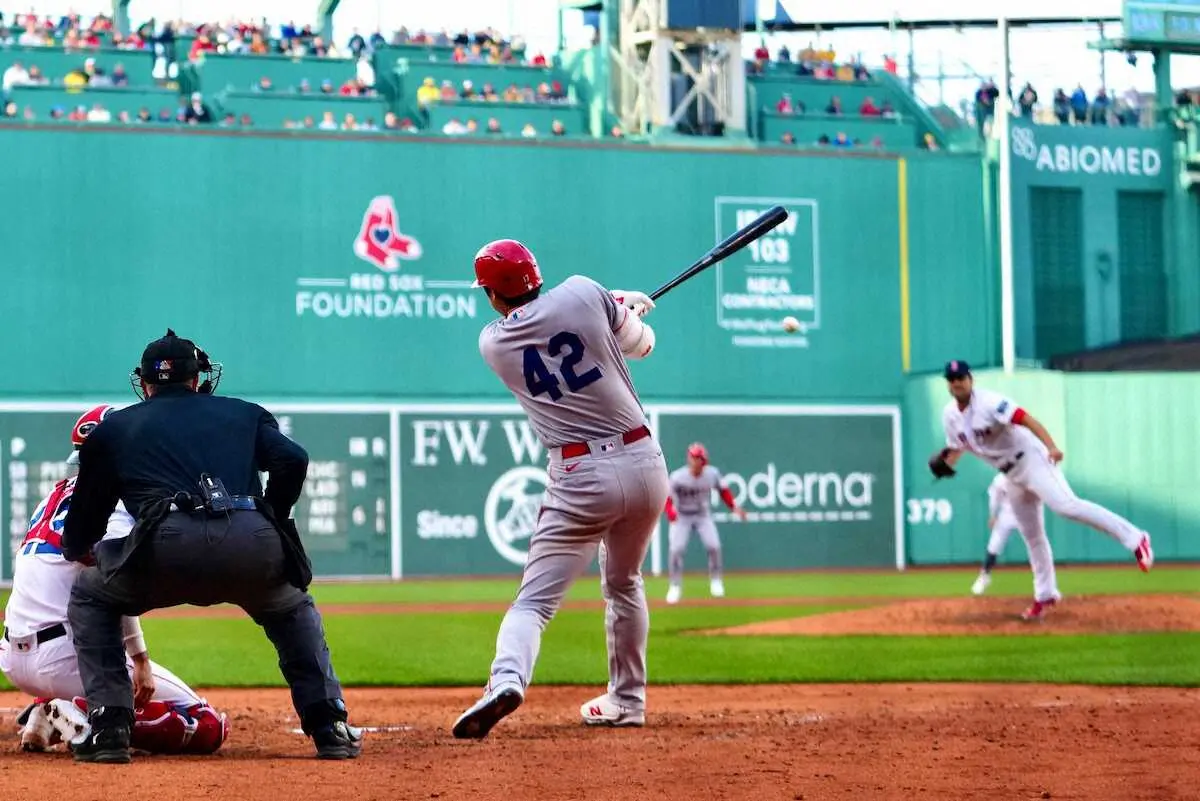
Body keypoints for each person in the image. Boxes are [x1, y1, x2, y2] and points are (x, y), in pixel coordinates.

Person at [62, 329, 362, 763]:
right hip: (248, 539)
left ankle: (109, 727)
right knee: (292, 608)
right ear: (198, 379)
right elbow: (292, 459)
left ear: (145, 384)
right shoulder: (244, 414)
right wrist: (271, 517)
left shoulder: (115, 428)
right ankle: (328, 725)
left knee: (91, 595)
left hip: (161, 547)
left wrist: (82, 549)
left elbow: (86, 517)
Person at [451, 240, 669, 739]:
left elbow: (556, 324)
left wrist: (609, 308)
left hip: (580, 477)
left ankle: (506, 680)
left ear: (492, 292)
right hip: (644, 463)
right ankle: (628, 700)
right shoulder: (583, 291)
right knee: (624, 583)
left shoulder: (493, 344)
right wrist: (620, 310)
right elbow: (643, 345)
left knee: (534, 603)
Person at [1, 404, 228, 754]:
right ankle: (80, 712)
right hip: (63, 657)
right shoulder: (121, 500)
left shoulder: (51, 497)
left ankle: (44, 711)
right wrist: (140, 661)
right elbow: (110, 580)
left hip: (14, 657)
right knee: (207, 725)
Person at [930, 360, 1153, 619]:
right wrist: (946, 461)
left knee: (1067, 506)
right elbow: (959, 446)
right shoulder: (949, 415)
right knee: (1032, 535)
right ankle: (1045, 595)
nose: (956, 382)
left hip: (1031, 459)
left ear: (970, 380)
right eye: (951, 378)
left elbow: (1025, 419)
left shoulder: (989, 402)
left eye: (960, 377)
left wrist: (1051, 447)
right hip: (1010, 475)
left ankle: (1137, 539)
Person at [970, 472, 1062, 621]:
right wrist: (993, 514)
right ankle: (984, 576)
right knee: (994, 545)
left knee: (1039, 549)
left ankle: (1049, 590)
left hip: (1028, 514)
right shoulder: (1000, 479)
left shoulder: (1029, 473)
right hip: (1007, 514)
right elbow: (994, 497)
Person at [664, 442, 746, 604]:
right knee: (676, 549)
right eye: (692, 457)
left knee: (714, 546)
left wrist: (734, 507)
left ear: (703, 461)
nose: (694, 461)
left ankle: (716, 581)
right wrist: (671, 512)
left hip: (702, 515)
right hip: (682, 517)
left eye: (697, 458)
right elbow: (668, 498)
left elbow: (724, 491)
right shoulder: (678, 476)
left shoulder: (712, 474)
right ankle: (675, 586)